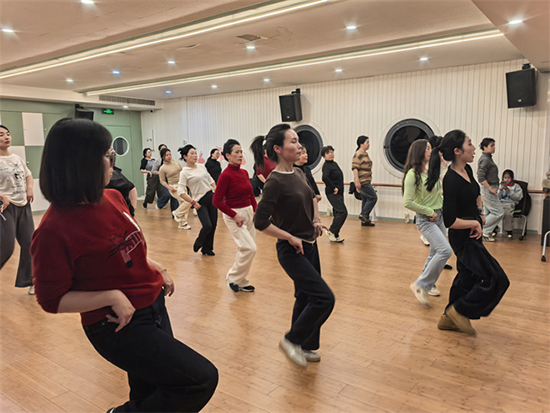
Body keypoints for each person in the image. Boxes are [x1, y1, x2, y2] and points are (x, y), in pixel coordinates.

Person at [31, 118, 218, 412]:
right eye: (107, 156)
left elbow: (123, 249)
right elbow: (51, 300)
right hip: (117, 324)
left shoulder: (113, 197)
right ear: (81, 163)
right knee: (200, 379)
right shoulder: (53, 230)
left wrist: (156, 267)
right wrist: (112, 296)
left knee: (153, 392)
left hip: (153, 306)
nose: (113, 164)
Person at [255, 124, 335, 368]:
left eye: (298, 140)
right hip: (291, 251)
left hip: (310, 245)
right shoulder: (274, 181)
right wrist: (288, 237)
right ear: (278, 149)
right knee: (324, 298)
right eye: (293, 141)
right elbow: (260, 222)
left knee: (305, 295)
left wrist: (316, 220)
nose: (299, 145)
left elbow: (312, 197)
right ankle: (291, 340)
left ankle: (305, 345)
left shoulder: (299, 173)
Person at [431, 129, 509, 336]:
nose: (474, 148)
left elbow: (475, 194)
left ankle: (448, 318)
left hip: (473, 232)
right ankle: (459, 310)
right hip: (463, 237)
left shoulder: (467, 170)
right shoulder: (450, 180)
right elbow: (449, 221)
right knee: (496, 278)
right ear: (457, 151)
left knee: (466, 277)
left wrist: (480, 213)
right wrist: (473, 223)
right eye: (470, 144)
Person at [403, 139, 453, 304]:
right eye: (427, 149)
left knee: (434, 253)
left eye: (431, 148)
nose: (430, 151)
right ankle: (421, 284)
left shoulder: (431, 171)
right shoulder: (413, 175)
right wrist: (429, 211)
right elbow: (407, 202)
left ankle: (429, 284)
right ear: (419, 152)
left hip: (440, 216)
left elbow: (439, 192)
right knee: (445, 251)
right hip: (426, 219)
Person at [213, 139, 257, 291]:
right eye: (236, 152)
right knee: (250, 248)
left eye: (241, 152)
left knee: (244, 249)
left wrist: (255, 211)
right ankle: (233, 277)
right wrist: (234, 215)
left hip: (248, 212)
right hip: (234, 215)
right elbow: (216, 201)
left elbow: (251, 195)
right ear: (227, 156)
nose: (240, 155)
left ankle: (241, 280)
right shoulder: (225, 175)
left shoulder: (244, 172)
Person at [0, 124, 35, 294]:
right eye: (1, 135)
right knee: (6, 248)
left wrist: (30, 188)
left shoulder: (17, 158)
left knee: (30, 244)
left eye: (7, 134)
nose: (6, 137)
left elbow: (28, 175)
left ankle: (31, 280)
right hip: (6, 208)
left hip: (24, 206)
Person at [177, 145, 217, 255]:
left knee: (213, 225)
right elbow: (180, 191)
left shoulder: (201, 167)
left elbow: (210, 180)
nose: (195, 155)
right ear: (185, 156)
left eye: (195, 153)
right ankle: (199, 241)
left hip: (211, 197)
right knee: (207, 225)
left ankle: (207, 248)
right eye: (192, 153)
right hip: (200, 202)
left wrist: (216, 191)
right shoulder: (184, 172)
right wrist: (193, 203)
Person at [477, 137, 503, 242]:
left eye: (494, 145)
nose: (494, 147)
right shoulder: (486, 159)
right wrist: (490, 188)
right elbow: (480, 177)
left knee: (488, 213)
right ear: (484, 147)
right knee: (498, 212)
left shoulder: (488, 158)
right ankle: (479, 228)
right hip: (488, 189)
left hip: (489, 189)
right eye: (491, 145)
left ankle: (484, 233)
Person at [159, 148, 191, 230]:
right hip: (174, 187)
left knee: (183, 204)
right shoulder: (162, 168)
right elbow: (162, 181)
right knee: (188, 201)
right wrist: (169, 188)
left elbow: (182, 172)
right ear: (163, 157)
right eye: (167, 155)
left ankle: (183, 224)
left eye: (170, 154)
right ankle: (177, 213)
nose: (169, 156)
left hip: (182, 185)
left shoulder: (176, 163)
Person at [321, 145, 347, 242]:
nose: (331, 154)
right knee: (342, 212)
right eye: (328, 153)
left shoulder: (334, 164)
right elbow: (324, 177)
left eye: (332, 152)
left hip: (339, 192)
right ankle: (331, 231)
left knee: (337, 213)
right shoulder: (326, 165)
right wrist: (333, 187)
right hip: (332, 192)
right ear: (324, 156)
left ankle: (335, 234)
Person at [352, 135, 378, 226]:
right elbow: (355, 168)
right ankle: (363, 215)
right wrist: (357, 181)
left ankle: (365, 220)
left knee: (366, 199)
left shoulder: (365, 154)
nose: (368, 144)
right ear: (361, 144)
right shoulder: (358, 154)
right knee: (373, 197)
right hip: (363, 181)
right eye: (367, 142)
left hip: (366, 180)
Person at [498, 169, 523, 239]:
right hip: (500, 203)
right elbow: (496, 197)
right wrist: (500, 190)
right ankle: (494, 229)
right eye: (505, 177)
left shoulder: (516, 186)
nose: (507, 179)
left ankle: (509, 231)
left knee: (508, 214)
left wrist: (509, 191)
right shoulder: (499, 185)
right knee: (495, 212)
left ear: (512, 178)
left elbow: (518, 197)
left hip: (510, 203)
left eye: (509, 177)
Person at [151, 143, 171, 209]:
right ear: (159, 151)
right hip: (163, 179)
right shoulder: (158, 161)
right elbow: (153, 171)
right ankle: (159, 203)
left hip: (171, 179)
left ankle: (175, 211)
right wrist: (160, 173)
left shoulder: (171, 160)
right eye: (162, 149)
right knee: (167, 194)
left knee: (173, 195)